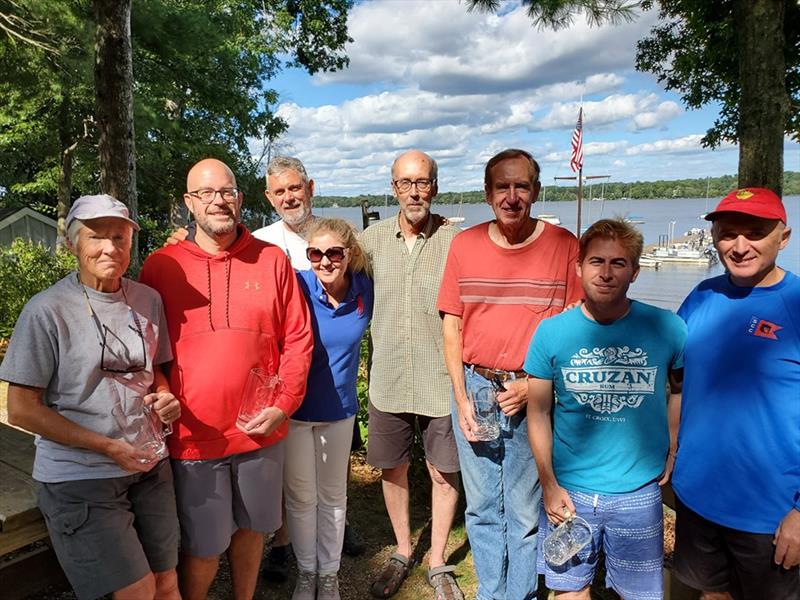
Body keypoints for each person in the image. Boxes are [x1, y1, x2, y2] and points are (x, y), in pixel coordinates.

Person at [139, 158, 313, 600]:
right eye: (206, 193)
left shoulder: (272, 260)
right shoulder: (162, 266)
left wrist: (283, 404)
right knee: (202, 546)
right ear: (188, 202)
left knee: (254, 530)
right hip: (194, 436)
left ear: (240, 197)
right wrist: (161, 393)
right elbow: (144, 350)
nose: (219, 201)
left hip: (260, 431)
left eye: (227, 191)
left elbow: (298, 338)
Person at [0, 194, 181, 600]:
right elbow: (21, 408)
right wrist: (105, 446)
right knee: (138, 591)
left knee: (168, 581)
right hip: (81, 476)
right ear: (71, 245)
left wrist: (166, 396)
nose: (109, 248)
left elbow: (158, 372)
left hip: (150, 466)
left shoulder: (147, 299)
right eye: (96, 237)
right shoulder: (46, 310)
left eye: (119, 237)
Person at [438, 148, 582, 600]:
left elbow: (575, 327)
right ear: (487, 193)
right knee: (480, 506)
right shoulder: (465, 244)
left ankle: (518, 594)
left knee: (522, 509)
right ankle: (491, 592)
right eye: (503, 186)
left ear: (536, 191)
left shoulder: (563, 246)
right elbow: (452, 325)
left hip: (532, 390)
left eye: (522, 186)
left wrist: (533, 385)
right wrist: (461, 399)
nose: (512, 196)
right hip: (475, 386)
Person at [524, 218, 686, 600]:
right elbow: (538, 412)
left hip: (637, 492)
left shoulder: (667, 328)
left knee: (640, 593)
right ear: (579, 267)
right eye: (597, 261)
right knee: (568, 591)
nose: (607, 273)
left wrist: (674, 447)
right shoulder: (551, 333)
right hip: (570, 493)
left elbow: (679, 390)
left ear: (635, 271)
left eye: (619, 263)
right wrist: (548, 485)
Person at [671, 187, 800, 600]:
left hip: (772, 513)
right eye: (728, 234)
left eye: (755, 232)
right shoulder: (702, 296)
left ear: (784, 236)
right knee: (711, 595)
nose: (740, 246)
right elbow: (672, 375)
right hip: (698, 495)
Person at [360, 149, 464, 600]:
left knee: (444, 472)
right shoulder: (371, 240)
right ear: (394, 188)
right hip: (388, 378)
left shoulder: (455, 240)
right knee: (393, 468)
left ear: (434, 188)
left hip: (440, 380)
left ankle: (437, 558)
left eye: (422, 182)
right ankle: (404, 549)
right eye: (405, 183)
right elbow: (329, 273)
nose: (414, 191)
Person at [286, 218, 374, 600]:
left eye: (333, 252)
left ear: (348, 254)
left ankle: (329, 574)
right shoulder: (296, 284)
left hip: (339, 410)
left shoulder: (364, 289)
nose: (324, 261)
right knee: (302, 497)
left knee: (334, 496)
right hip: (294, 411)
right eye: (315, 253)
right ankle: (307, 572)